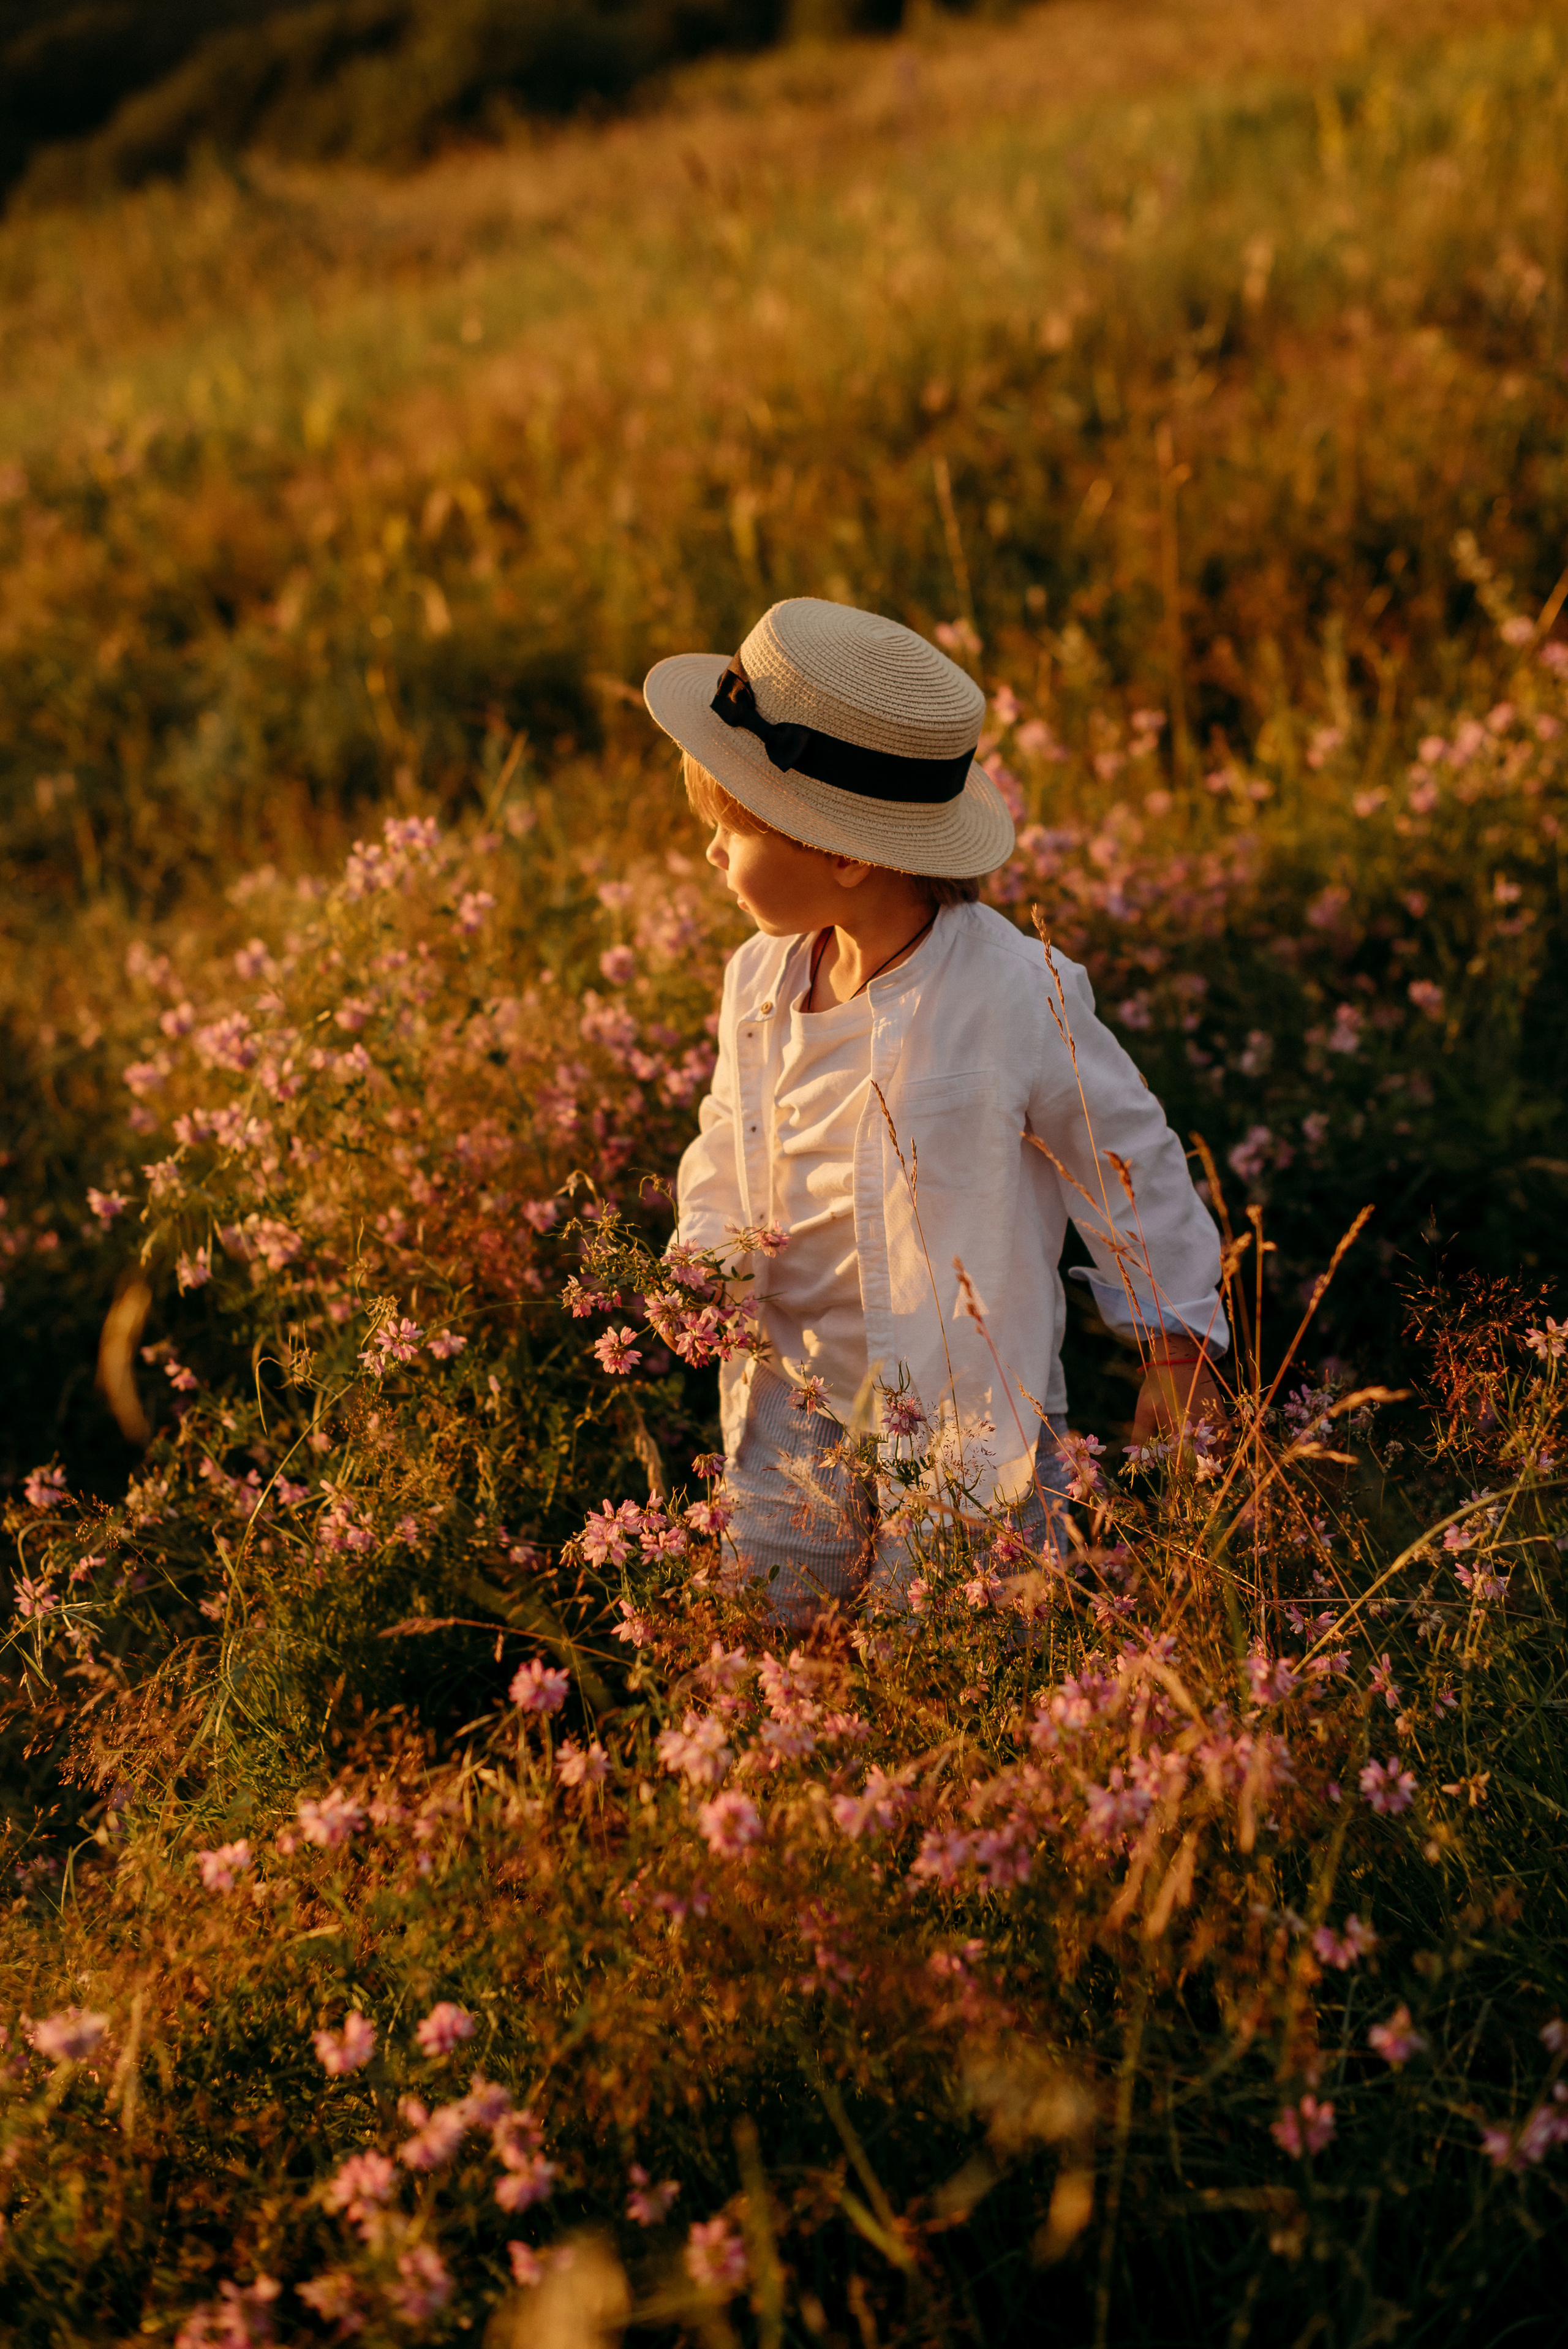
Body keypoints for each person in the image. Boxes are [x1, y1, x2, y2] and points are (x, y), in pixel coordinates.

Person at [643, 597, 1227, 1622]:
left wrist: (1174, 1342)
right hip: (795, 1388)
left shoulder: (1012, 992)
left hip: (963, 1413)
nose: (708, 855)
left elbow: (1125, 1149)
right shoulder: (759, 980)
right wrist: (705, 1267)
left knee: (947, 1633)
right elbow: (725, 1145)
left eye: (728, 829)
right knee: (777, 1622)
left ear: (845, 853)